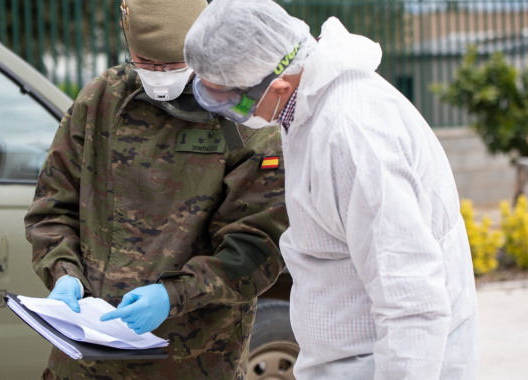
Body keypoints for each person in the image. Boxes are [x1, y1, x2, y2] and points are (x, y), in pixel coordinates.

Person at [183, 0, 480, 379]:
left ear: (277, 85)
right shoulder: (305, 101)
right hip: (350, 359)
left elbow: (411, 302)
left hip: (383, 364)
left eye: (229, 99)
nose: (228, 113)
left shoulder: (353, 139)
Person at [24, 0, 289, 379]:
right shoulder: (102, 100)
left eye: (171, 65)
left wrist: (172, 296)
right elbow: (52, 209)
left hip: (190, 359)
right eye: (145, 63)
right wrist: (64, 273)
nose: (158, 75)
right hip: (84, 359)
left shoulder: (244, 116)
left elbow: (257, 247)